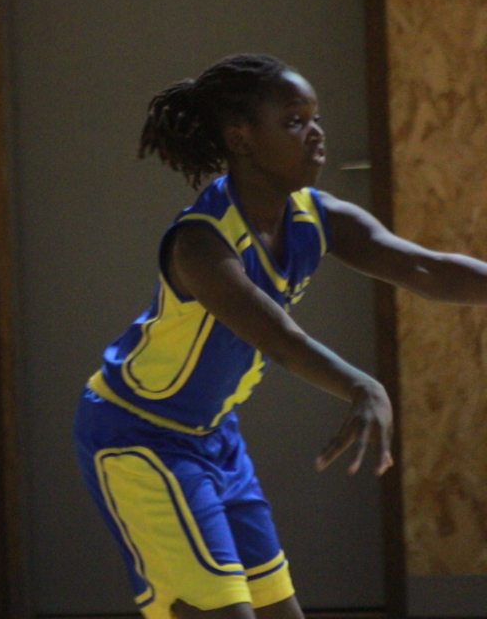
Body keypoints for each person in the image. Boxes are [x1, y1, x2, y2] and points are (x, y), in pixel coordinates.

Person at [73, 53, 487, 619]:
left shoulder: (318, 216)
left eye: (315, 118)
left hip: (215, 434)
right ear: (240, 138)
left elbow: (426, 269)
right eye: (294, 121)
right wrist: (363, 385)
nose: (316, 133)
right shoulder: (202, 243)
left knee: (279, 610)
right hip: (140, 434)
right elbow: (279, 337)